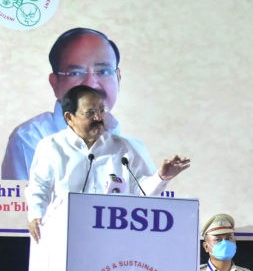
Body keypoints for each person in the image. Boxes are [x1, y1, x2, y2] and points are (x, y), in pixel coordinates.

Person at [25, 85, 190, 242]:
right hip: (67, 235)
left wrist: (162, 177)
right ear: (69, 118)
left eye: (101, 110)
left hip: (116, 238)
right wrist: (36, 215)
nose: (98, 118)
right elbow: (39, 186)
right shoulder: (52, 147)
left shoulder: (124, 148)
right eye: (90, 113)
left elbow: (141, 192)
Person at [2, 27, 148, 180]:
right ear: (55, 84)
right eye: (75, 73)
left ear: (118, 79)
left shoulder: (134, 149)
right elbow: (25, 203)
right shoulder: (31, 139)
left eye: (103, 71)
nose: (91, 84)